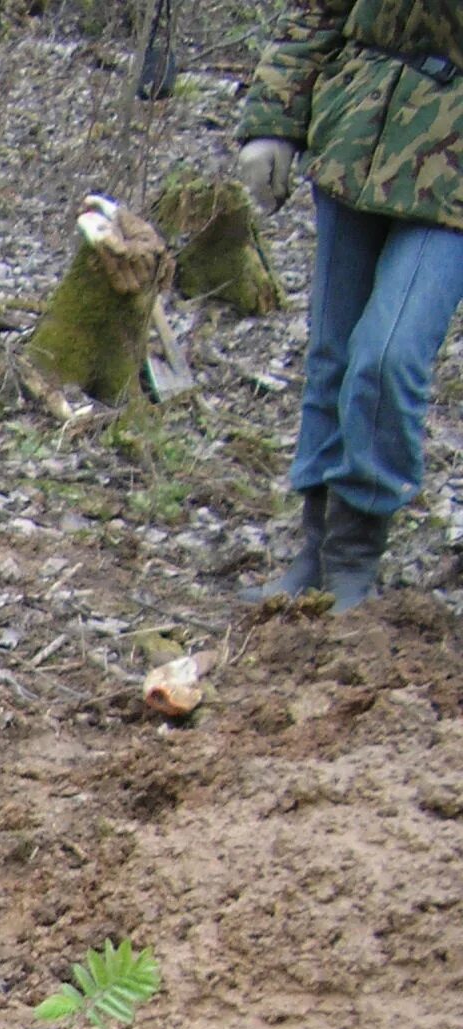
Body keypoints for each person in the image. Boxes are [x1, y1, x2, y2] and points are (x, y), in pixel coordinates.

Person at [238, 0, 461, 610]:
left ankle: (356, 554)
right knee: (332, 356)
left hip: (455, 169)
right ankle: (315, 555)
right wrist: (272, 121)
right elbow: (318, 9)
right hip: (357, 129)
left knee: (388, 356)